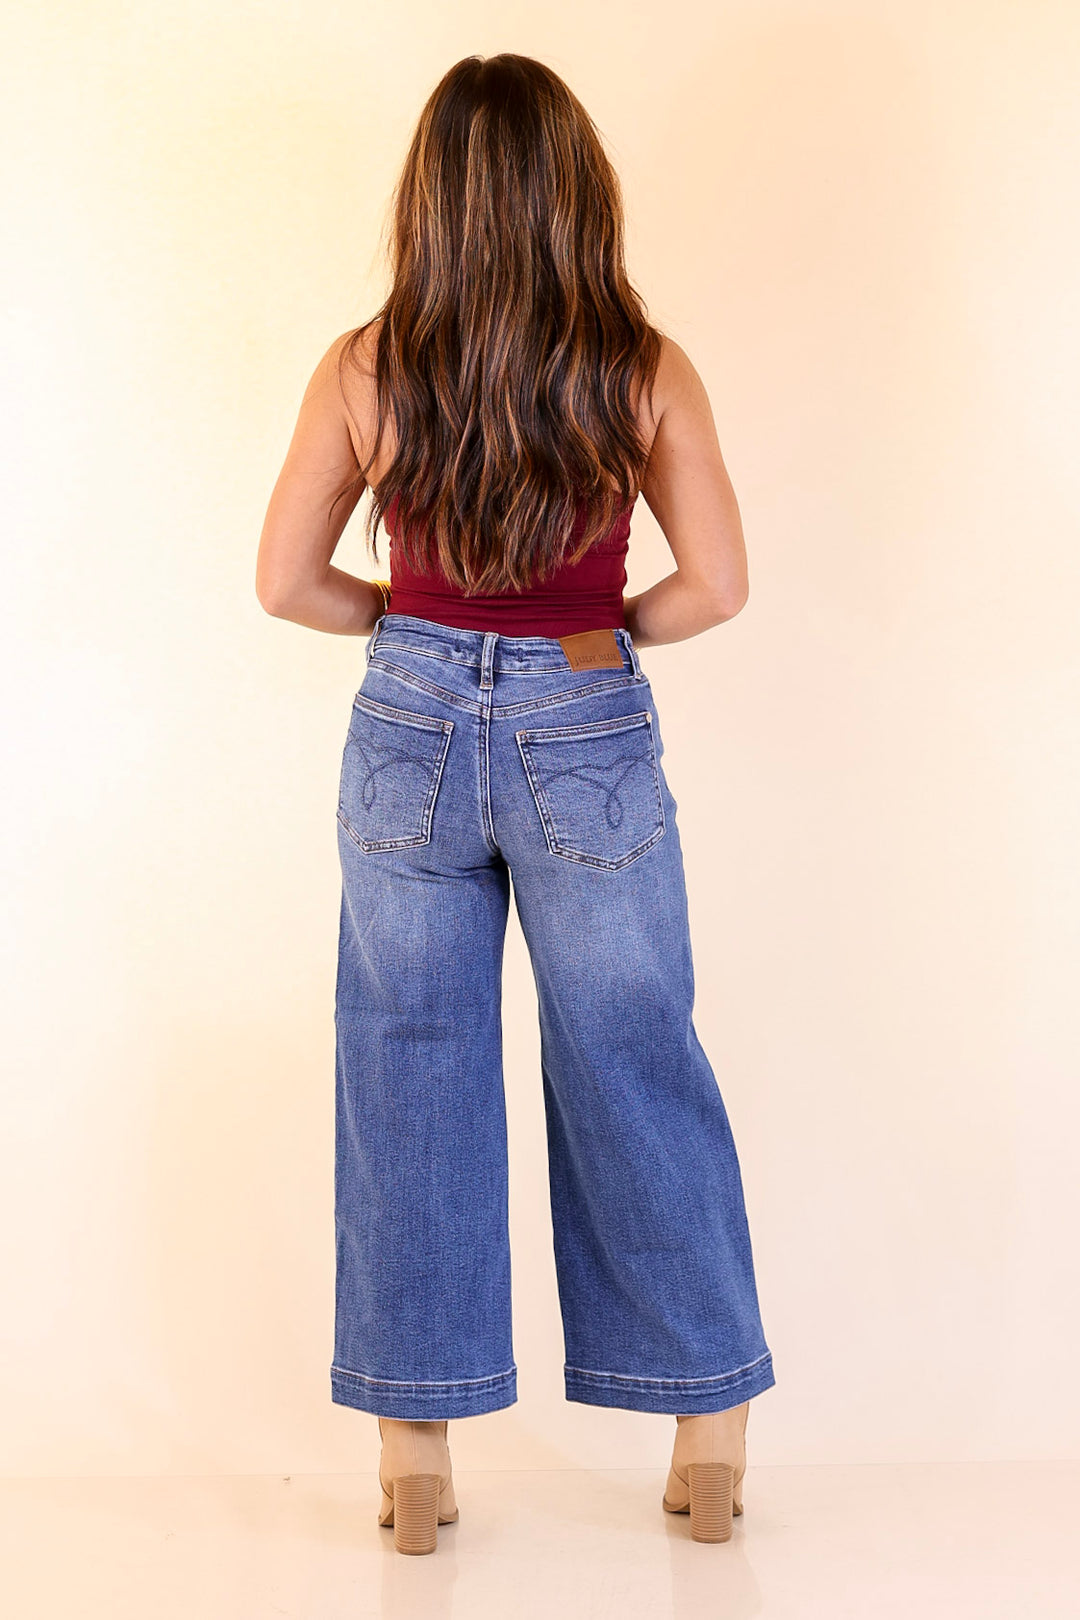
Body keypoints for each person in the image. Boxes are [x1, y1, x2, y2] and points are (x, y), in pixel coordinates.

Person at [256, 52, 776, 1556]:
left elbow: (284, 582)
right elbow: (717, 585)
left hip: (407, 721)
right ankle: (708, 1437)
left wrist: (409, 628)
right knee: (634, 1054)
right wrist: (595, 637)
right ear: (577, 190)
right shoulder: (640, 365)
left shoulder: (365, 366)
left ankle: (414, 1461)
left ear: (431, 196)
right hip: (584, 722)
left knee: (406, 1063)